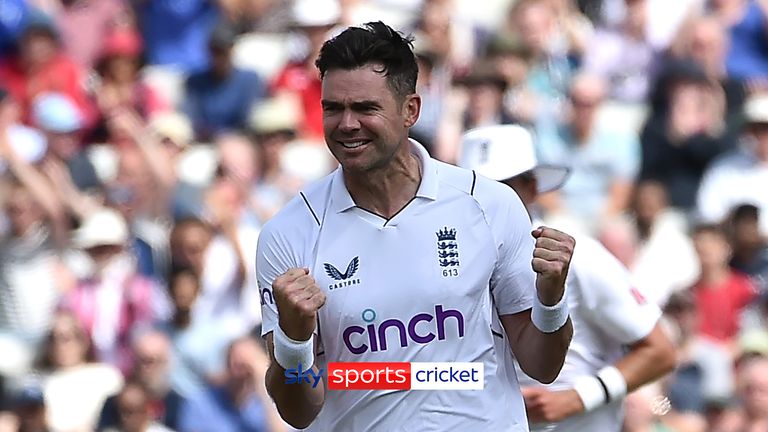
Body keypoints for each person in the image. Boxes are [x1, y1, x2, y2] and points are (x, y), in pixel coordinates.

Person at [256, 22, 575, 431]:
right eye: (333, 108)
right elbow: (297, 410)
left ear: (411, 110)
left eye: (366, 108)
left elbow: (542, 365)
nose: (346, 124)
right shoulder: (288, 233)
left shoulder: (488, 204)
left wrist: (551, 302)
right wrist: (295, 342)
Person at [459, 124, 676, 431]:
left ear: (532, 187)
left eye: (503, 186)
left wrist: (577, 399)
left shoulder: (582, 256)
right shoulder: (449, 269)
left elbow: (661, 352)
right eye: (477, 188)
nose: (489, 200)